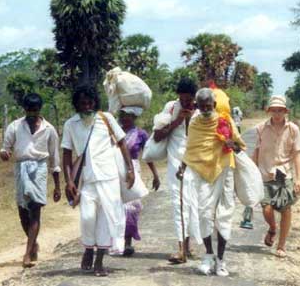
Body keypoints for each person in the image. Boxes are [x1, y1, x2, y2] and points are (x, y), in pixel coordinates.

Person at [61, 84, 135, 276]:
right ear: (76, 105)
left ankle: (99, 260)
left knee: (105, 219)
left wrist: (130, 169)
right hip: (87, 180)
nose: (87, 107)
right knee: (87, 217)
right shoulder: (70, 124)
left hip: (109, 177)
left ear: (95, 102)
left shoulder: (106, 118)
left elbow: (122, 142)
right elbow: (67, 154)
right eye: (82, 103)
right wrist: (69, 180)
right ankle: (88, 249)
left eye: (90, 102)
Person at [178, 88, 246, 276]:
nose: (206, 109)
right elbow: (191, 147)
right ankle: (208, 255)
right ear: (196, 106)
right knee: (204, 213)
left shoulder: (224, 120)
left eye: (209, 106)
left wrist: (232, 144)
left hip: (224, 170)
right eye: (202, 107)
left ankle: (221, 261)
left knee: (224, 215)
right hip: (202, 173)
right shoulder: (194, 122)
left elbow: (240, 146)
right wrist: (183, 167)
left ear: (214, 105)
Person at [0, 93, 61, 268]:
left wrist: (57, 186)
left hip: (39, 169)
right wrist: (5, 154)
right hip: (21, 168)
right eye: (29, 109)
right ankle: (33, 243)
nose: (32, 113)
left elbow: (55, 158)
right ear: (24, 109)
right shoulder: (14, 126)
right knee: (22, 211)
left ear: (39, 109)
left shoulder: (49, 129)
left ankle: (27, 254)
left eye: (35, 109)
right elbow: (5, 150)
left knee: (35, 209)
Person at [153, 78, 202, 264]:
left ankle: (188, 247)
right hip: (176, 164)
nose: (186, 103)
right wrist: (177, 121)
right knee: (178, 203)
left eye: (189, 100)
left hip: (195, 165)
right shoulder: (171, 108)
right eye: (182, 99)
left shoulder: (201, 110)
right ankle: (181, 248)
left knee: (192, 205)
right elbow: (157, 136)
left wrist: (190, 119)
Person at [252, 95, 300, 258]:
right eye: (274, 110)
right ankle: (273, 228)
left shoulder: (293, 129)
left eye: (280, 110)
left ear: (285, 111)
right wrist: (251, 174)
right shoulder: (260, 128)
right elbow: (255, 152)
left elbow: (297, 154)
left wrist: (298, 179)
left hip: (284, 175)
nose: (277, 113)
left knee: (286, 209)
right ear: (269, 111)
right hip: (264, 173)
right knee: (267, 208)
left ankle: (281, 246)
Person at [117, 106, 160, 256]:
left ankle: (127, 243)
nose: (124, 118)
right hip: (115, 169)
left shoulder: (141, 134)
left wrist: (155, 174)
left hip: (133, 171)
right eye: (122, 115)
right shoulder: (114, 132)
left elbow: (148, 156)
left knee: (132, 206)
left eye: (128, 116)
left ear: (134, 117)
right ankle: (116, 241)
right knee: (116, 206)